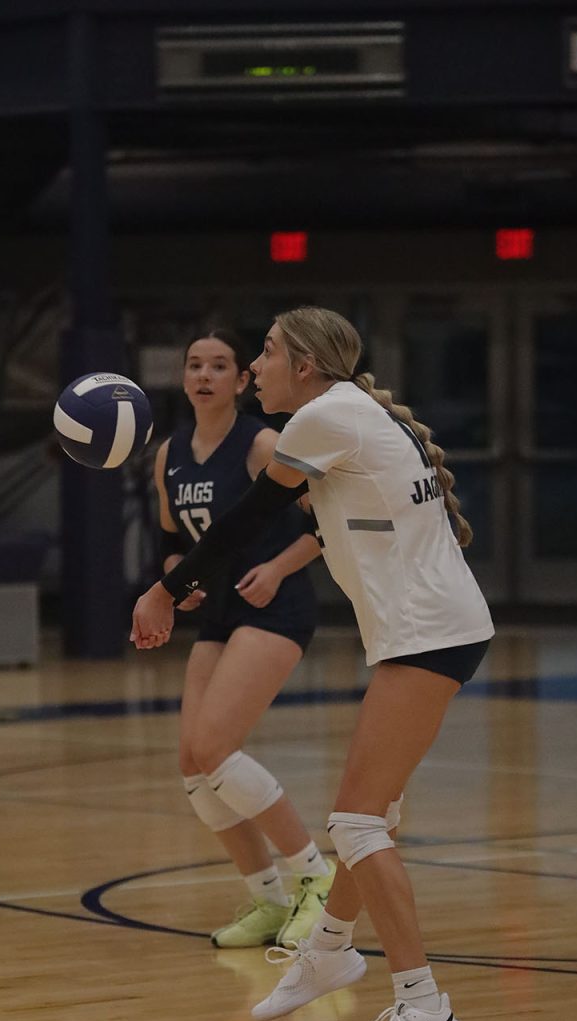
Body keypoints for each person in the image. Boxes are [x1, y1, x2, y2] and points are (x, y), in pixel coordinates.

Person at [132, 307, 494, 1021]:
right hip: (436, 629)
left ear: (305, 365)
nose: (254, 367)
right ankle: (329, 950)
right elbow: (316, 529)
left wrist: (167, 590)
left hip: (429, 634)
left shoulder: (324, 418)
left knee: (357, 824)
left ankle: (424, 1008)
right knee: (377, 815)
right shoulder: (348, 418)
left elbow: (246, 518)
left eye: (263, 353)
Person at [154, 327, 335, 950]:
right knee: (191, 764)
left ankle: (316, 876)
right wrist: (181, 585)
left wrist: (280, 566)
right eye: (194, 364)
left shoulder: (263, 442)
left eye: (221, 365)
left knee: (216, 748)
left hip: (276, 603)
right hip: (220, 611)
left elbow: (327, 522)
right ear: (184, 378)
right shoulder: (170, 452)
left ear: (239, 381)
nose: (205, 374)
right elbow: (176, 543)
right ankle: (267, 901)